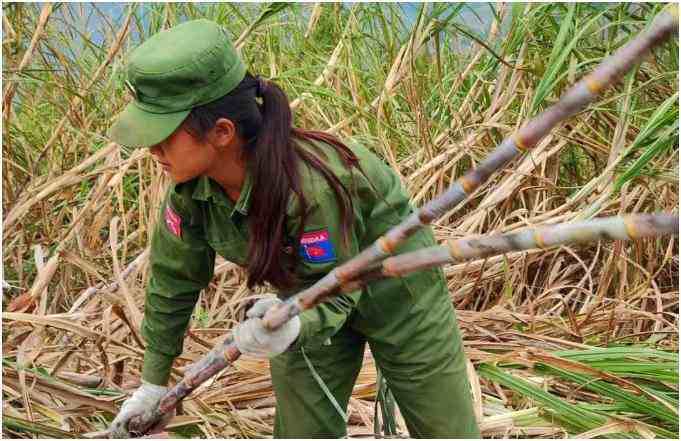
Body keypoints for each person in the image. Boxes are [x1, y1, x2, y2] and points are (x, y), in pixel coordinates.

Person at [108, 19, 480, 439]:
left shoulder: (311, 187)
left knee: (446, 429)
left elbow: (341, 289)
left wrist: (295, 325)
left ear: (222, 133)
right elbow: (173, 280)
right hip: (301, 302)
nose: (151, 149)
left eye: (163, 136)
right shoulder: (190, 192)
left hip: (396, 295)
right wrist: (153, 384)